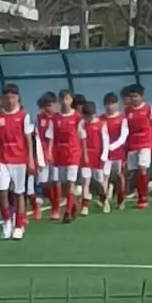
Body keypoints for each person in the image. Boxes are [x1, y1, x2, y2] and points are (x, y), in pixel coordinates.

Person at [0, 83, 35, 240]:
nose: (10, 100)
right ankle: (6, 222)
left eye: (13, 97)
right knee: (2, 192)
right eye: (7, 97)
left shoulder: (24, 116)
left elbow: (28, 140)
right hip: (3, 160)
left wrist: (30, 160)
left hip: (19, 159)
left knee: (19, 193)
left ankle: (18, 225)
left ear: (18, 98)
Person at [122, 83, 152, 209]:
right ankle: (132, 193)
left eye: (136, 96)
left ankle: (143, 198)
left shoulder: (149, 109)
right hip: (133, 144)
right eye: (132, 97)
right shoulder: (127, 111)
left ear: (142, 96)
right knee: (132, 171)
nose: (134, 99)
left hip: (145, 143)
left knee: (142, 168)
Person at [51, 88, 86, 223]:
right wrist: (50, 152)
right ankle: (73, 204)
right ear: (59, 101)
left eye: (68, 99)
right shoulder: (55, 118)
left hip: (73, 153)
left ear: (71, 100)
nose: (65, 102)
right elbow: (50, 136)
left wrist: (84, 154)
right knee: (64, 183)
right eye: (63, 99)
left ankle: (67, 212)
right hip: (59, 154)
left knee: (70, 181)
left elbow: (82, 137)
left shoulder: (77, 117)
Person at [79, 99, 106, 215]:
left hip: (98, 156)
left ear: (94, 114)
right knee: (85, 180)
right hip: (85, 156)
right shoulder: (81, 125)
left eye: (89, 116)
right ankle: (85, 206)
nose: (87, 119)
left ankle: (104, 200)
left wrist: (104, 156)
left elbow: (106, 142)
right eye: (85, 116)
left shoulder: (101, 125)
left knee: (100, 180)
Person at [102, 93, 128, 211]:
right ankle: (105, 201)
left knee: (119, 177)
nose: (110, 106)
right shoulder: (101, 119)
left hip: (118, 153)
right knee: (105, 177)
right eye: (107, 104)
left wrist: (111, 147)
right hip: (104, 154)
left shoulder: (122, 118)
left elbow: (123, 137)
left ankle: (121, 199)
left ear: (117, 104)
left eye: (112, 103)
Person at [35, 92, 59, 220]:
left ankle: (56, 208)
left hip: (58, 152)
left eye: (50, 105)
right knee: (43, 182)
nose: (48, 108)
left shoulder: (59, 118)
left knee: (55, 180)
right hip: (42, 153)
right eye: (46, 106)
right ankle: (48, 202)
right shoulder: (39, 118)